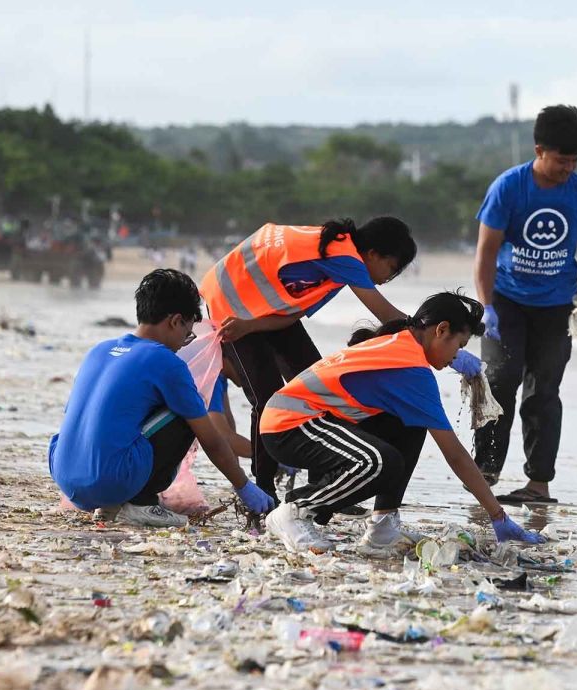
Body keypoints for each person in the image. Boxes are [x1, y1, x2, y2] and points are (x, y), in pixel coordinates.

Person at [200, 217, 482, 501]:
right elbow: (385, 313)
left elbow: (292, 313)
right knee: (265, 396)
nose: (388, 279)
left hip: (259, 310)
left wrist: (253, 326)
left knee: (314, 380)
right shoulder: (342, 255)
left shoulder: (335, 263)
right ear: (372, 254)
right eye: (392, 269)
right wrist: (439, 343)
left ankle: (327, 484)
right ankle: (262, 492)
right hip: (229, 304)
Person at [259, 292, 544, 556]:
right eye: (458, 346)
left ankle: (382, 526)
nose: (456, 356)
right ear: (441, 330)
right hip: (289, 426)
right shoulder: (411, 368)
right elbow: (455, 455)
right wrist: (498, 516)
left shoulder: (401, 344)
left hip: (314, 422)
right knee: (379, 462)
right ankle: (295, 511)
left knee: (410, 424)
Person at [48, 269, 274, 527]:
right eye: (187, 334)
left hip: (65, 475)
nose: (184, 343)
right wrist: (244, 486)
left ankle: (112, 502)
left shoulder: (99, 350)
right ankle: (140, 503)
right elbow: (211, 439)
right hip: (109, 479)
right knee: (189, 407)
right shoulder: (165, 360)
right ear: (175, 321)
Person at [472, 105, 577, 504]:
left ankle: (538, 484)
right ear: (539, 150)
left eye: (575, 161)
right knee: (498, 382)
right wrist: (486, 308)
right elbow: (485, 251)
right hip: (506, 301)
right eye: (562, 160)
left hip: (556, 306)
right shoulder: (509, 188)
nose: (568, 168)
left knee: (543, 392)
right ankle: (486, 473)